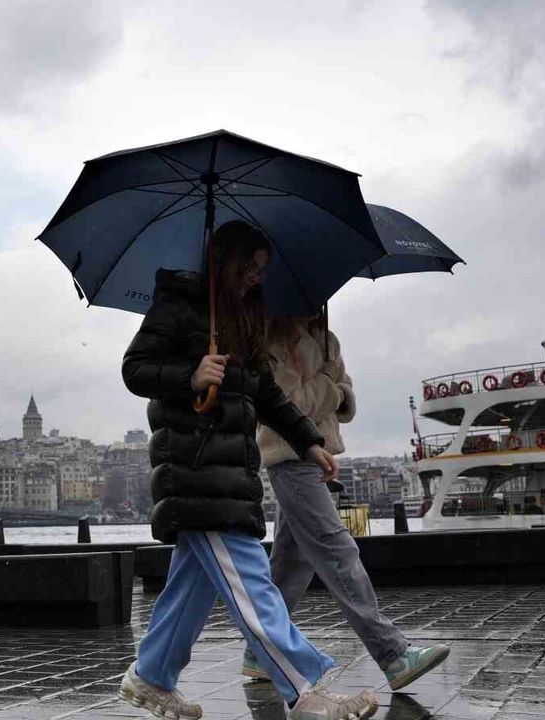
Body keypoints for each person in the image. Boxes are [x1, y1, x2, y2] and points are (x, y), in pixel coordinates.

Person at [117, 222, 378, 720]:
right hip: (196, 473)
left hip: (230, 471)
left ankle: (151, 675)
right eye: (250, 268)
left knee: (193, 585)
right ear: (224, 262)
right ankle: (304, 690)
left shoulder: (241, 317)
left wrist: (309, 440)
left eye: (262, 270)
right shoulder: (178, 305)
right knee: (251, 582)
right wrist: (190, 376)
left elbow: (264, 391)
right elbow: (135, 369)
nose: (256, 278)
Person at [256, 315, 449, 692]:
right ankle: (392, 654)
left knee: (291, 561)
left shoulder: (327, 339)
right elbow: (289, 403)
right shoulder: (274, 338)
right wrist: (330, 384)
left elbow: (348, 400)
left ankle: (259, 648)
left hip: (319, 455)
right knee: (336, 549)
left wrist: (328, 389)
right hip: (289, 455)